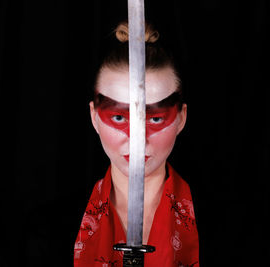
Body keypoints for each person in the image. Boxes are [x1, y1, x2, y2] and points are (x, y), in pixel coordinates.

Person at [74, 21, 199, 266]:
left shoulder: (238, 228)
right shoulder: (43, 230)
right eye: (119, 117)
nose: (138, 139)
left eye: (155, 118)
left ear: (181, 118)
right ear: (94, 117)